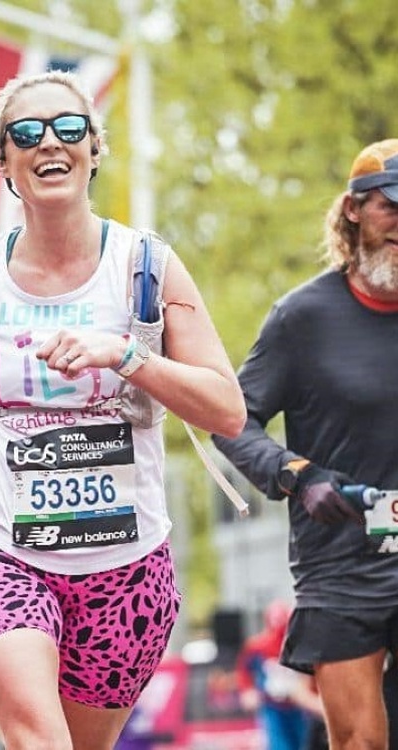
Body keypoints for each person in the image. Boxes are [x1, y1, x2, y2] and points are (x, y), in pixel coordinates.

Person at [0, 69, 246, 750]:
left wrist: (124, 353)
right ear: (2, 162)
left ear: (94, 147)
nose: (48, 142)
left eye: (68, 127)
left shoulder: (147, 266)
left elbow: (227, 409)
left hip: (127, 565)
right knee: (37, 737)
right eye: (25, 133)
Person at [212, 138, 398, 750]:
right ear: (354, 210)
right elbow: (230, 419)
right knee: (362, 743)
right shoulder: (303, 318)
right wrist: (299, 474)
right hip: (341, 567)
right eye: (389, 206)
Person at [235, 600, 322, 750]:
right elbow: (243, 671)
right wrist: (247, 691)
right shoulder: (257, 647)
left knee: (303, 743)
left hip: (299, 708)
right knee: (278, 743)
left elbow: (312, 677)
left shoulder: (302, 647)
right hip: (272, 707)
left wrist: (308, 696)